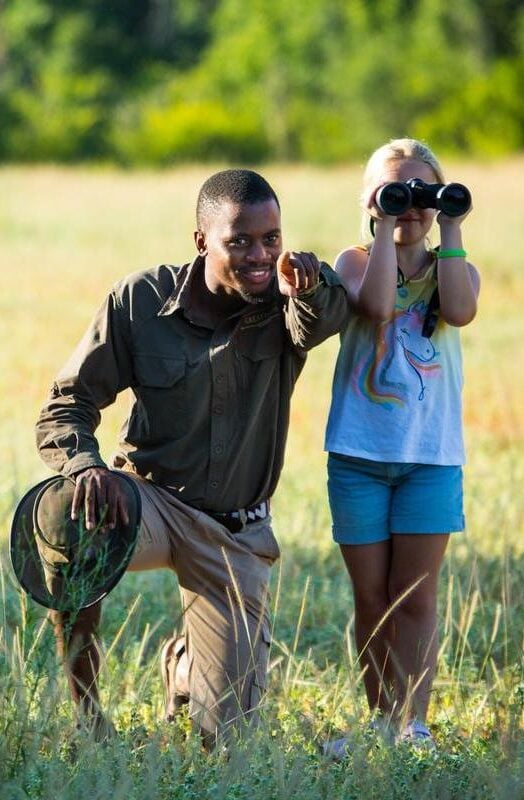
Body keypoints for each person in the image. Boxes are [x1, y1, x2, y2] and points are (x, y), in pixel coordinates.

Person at [34, 168, 350, 747]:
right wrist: (85, 467)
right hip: (147, 504)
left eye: (271, 238)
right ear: (202, 239)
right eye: (241, 241)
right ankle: (87, 717)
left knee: (223, 743)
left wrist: (306, 287)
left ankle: (185, 665)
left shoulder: (290, 297)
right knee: (65, 512)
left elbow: (324, 319)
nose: (261, 255)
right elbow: (66, 404)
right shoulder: (139, 299)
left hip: (234, 531)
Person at [323, 139, 480, 754]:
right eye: (395, 192)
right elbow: (379, 306)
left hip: (430, 458)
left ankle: (413, 725)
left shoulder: (455, 267)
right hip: (359, 456)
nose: (411, 204)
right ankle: (381, 720)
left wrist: (452, 226)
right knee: (371, 599)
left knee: (414, 597)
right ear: (369, 200)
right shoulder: (355, 261)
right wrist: (386, 226)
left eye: (423, 192)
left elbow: (461, 311)